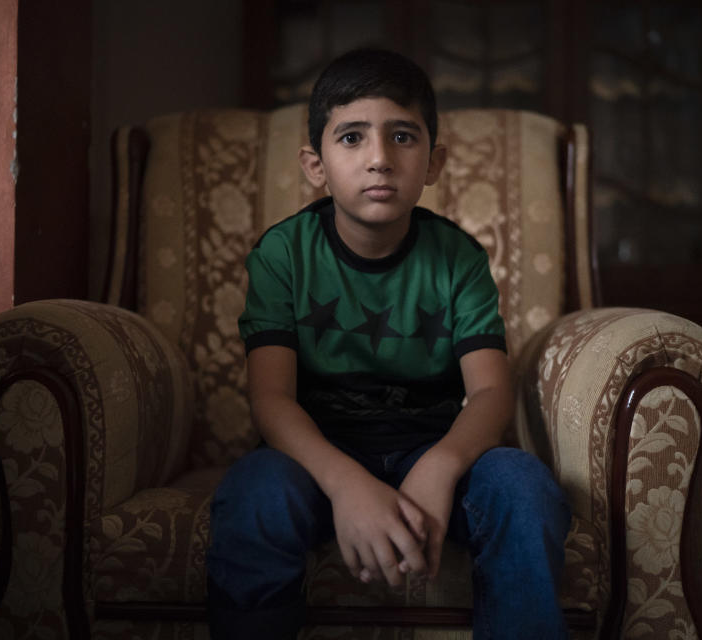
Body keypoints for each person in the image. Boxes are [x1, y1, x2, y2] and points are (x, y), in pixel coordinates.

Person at [206, 48, 570, 639]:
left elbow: (491, 393)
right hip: (315, 459)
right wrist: (347, 484)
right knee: (254, 492)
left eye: (402, 136)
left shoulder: (459, 258)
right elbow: (272, 400)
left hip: (430, 449)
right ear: (314, 164)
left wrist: (441, 468)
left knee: (522, 486)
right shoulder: (283, 254)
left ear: (433, 162)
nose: (379, 159)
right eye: (351, 138)